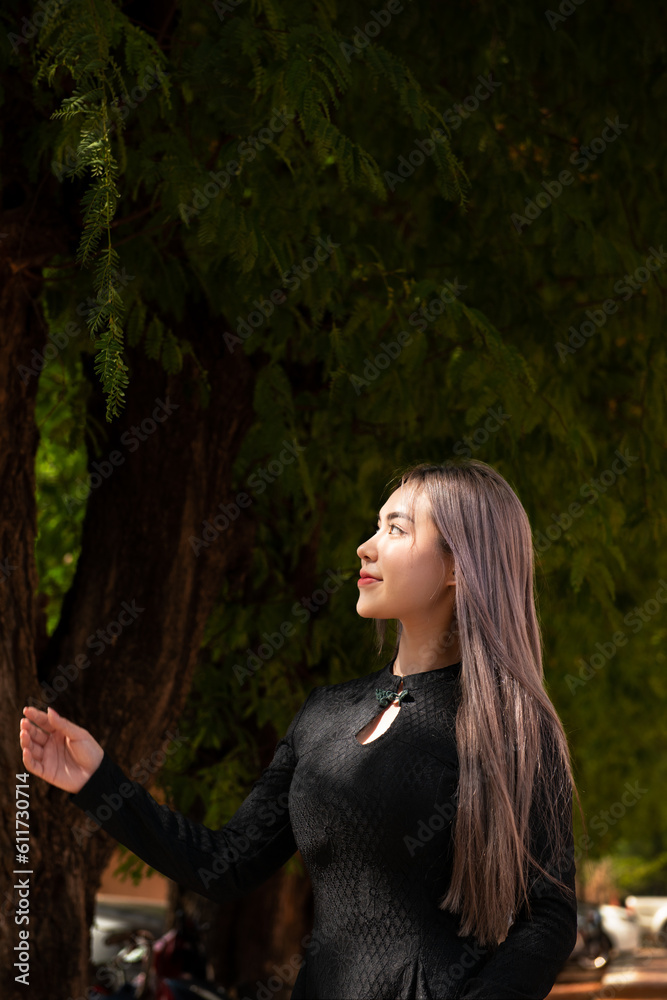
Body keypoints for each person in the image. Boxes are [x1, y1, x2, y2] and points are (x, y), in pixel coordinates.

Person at [20, 459, 580, 999]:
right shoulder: (325, 712)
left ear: (458, 566)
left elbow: (548, 916)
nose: (366, 546)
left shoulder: (514, 727)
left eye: (396, 528)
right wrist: (98, 780)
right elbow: (225, 864)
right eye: (376, 526)